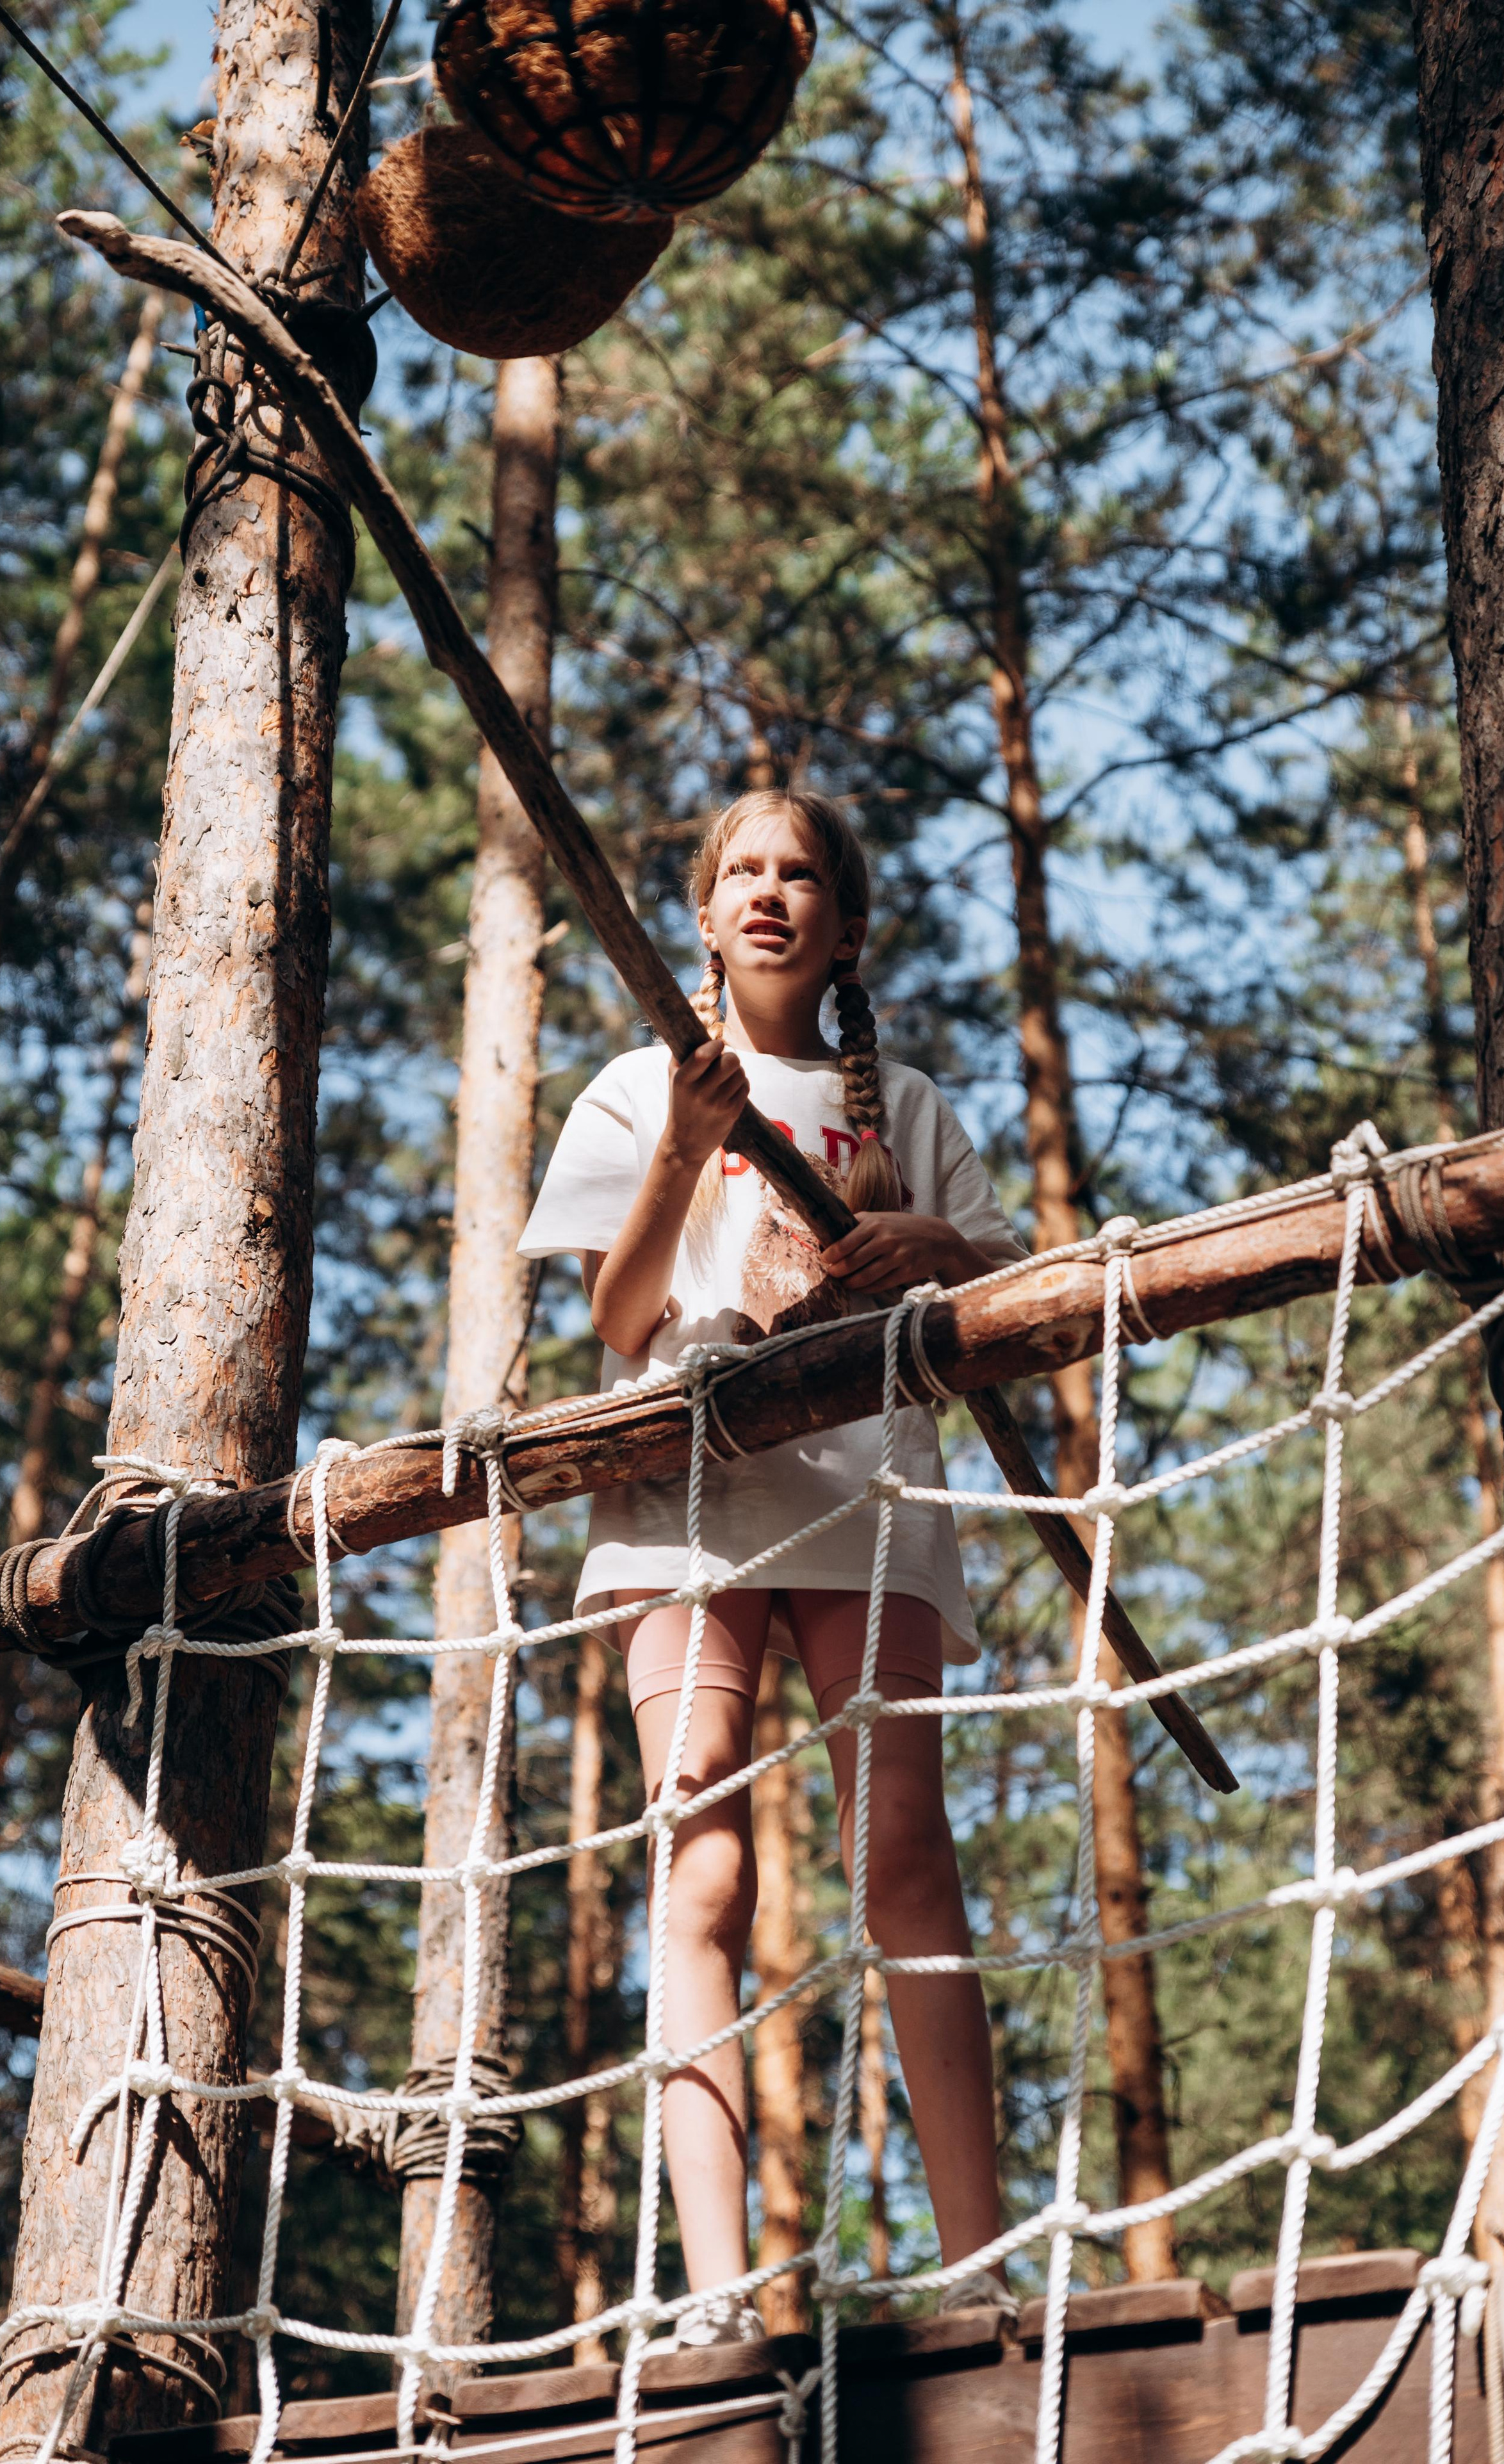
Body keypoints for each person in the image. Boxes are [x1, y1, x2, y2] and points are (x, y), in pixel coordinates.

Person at [518, 787, 1027, 2339]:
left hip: (871, 1497)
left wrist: (933, 1253)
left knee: (905, 1861)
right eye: (739, 869)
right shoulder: (629, 1090)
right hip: (692, 1494)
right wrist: (687, 1138)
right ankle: (722, 2290)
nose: (767, 890)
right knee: (703, 1855)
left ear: (845, 926)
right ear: (698, 912)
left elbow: (1012, 1277)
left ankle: (979, 2271)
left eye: (798, 872)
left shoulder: (908, 1108)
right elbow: (616, 1320)